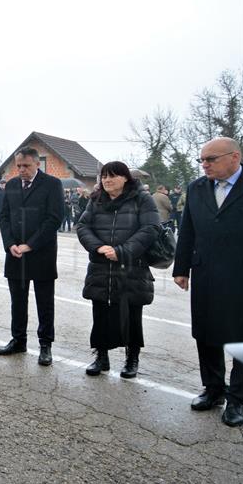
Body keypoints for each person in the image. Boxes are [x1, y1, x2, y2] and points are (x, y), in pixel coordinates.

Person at [173, 137, 243, 428]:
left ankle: (238, 398)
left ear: (234, 157)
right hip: (205, 273)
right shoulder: (197, 188)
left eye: (211, 159)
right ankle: (213, 389)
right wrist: (182, 269)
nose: (204, 165)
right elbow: (187, 229)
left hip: (241, 275)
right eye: (202, 160)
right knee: (206, 332)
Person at [76, 162, 160, 378]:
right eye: (104, 176)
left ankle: (132, 359)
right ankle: (101, 356)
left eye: (112, 176)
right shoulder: (96, 200)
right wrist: (97, 246)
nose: (107, 180)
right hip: (101, 265)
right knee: (100, 311)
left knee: (131, 314)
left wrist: (122, 251)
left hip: (131, 266)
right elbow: (83, 226)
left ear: (125, 178)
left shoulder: (142, 199)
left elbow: (150, 228)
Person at [0, 146, 63, 366]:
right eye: (19, 166)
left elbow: (54, 220)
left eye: (26, 165)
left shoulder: (52, 185)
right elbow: (4, 217)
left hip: (41, 253)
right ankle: (18, 340)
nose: (22, 170)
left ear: (37, 164)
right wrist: (10, 245)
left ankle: (45, 345)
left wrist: (30, 245)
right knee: (18, 301)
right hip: (15, 254)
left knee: (44, 303)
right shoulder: (12, 185)